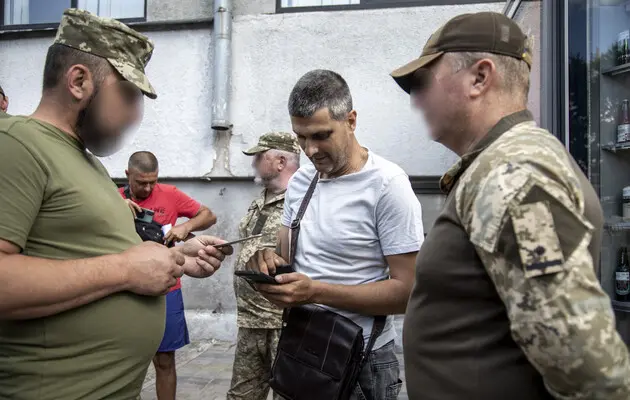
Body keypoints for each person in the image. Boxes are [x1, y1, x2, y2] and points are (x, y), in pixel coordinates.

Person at [390, 11, 630, 400]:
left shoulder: (514, 171)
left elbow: (583, 361)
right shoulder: (496, 165)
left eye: (422, 83)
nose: (416, 101)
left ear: (480, 78)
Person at [0, 9, 232, 400]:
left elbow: (90, 250)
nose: (135, 115)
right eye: (127, 95)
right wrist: (125, 270)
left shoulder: (86, 161)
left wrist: (178, 256)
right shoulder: (17, 144)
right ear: (78, 81)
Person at [246, 69, 425, 400]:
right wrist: (268, 262)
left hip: (362, 359)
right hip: (302, 346)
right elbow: (286, 255)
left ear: (352, 120)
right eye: (301, 138)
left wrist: (314, 292)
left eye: (321, 135)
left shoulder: (387, 186)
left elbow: (407, 293)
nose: (310, 150)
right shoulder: (301, 182)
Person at [119, 150, 217, 400]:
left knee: (164, 361)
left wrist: (186, 226)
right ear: (127, 175)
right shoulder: (113, 198)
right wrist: (114, 204)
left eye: (153, 181)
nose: (148, 187)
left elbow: (208, 215)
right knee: (124, 361)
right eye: (141, 182)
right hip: (124, 292)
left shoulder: (170, 194)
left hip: (167, 291)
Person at [227, 132, 301, 400]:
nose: (253, 163)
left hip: (283, 324)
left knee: (288, 394)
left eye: (260, 156)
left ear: (281, 161)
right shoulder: (261, 200)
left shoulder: (303, 202)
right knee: (241, 396)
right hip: (251, 321)